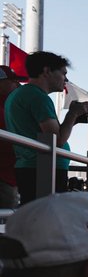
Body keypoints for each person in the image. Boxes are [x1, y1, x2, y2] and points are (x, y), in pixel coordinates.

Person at [4, 51, 88, 204]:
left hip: (33, 167)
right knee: (46, 222)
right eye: (63, 73)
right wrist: (72, 113)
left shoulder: (23, 94)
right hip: (43, 169)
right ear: (46, 71)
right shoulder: (37, 96)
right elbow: (55, 140)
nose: (66, 79)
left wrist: (73, 119)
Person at [0, 64, 28, 208]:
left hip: (10, 176)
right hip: (4, 177)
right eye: (13, 81)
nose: (18, 84)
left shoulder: (10, 106)